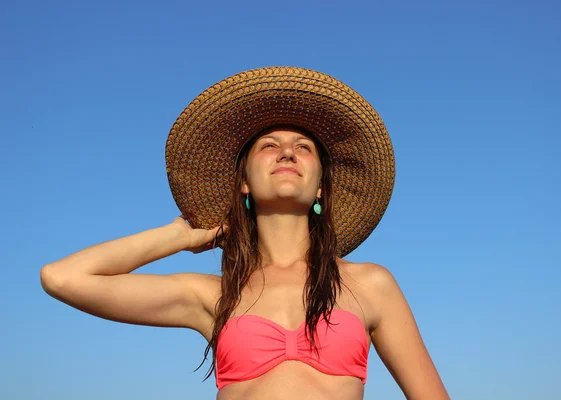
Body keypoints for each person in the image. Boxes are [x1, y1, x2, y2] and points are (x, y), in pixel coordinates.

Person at [41, 66, 450, 400]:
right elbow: (63, 278)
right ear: (244, 183)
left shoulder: (371, 285)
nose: (288, 151)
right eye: (269, 145)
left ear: (321, 186)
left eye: (304, 147)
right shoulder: (215, 297)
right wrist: (180, 236)